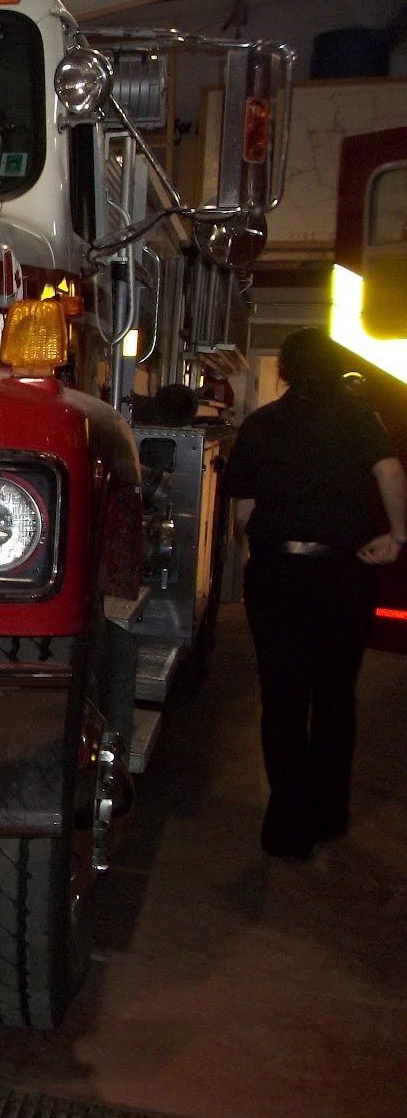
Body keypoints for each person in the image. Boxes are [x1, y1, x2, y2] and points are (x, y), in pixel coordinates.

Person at [222, 327, 407, 861]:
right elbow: (390, 469)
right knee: (333, 696)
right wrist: (396, 536)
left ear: (285, 370)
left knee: (282, 696)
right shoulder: (358, 417)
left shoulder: (261, 424)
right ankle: (328, 813)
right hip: (342, 574)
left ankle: (286, 823)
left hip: (278, 572)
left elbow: (243, 512)